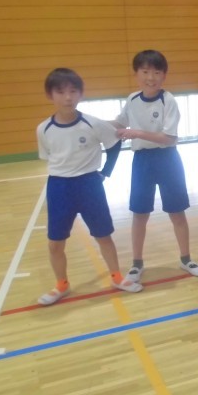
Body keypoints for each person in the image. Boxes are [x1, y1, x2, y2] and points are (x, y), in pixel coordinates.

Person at [36, 67, 131, 305]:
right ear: (50, 95)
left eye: (73, 91)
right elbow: (49, 157)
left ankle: (117, 277)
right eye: (61, 92)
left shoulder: (93, 123)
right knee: (55, 242)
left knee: (103, 235)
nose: (68, 97)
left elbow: (115, 143)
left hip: (90, 185)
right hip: (59, 187)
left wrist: (106, 172)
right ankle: (61, 284)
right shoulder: (43, 129)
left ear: (80, 93)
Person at [116, 50, 198, 288]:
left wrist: (137, 133)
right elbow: (118, 123)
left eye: (156, 72)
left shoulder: (169, 100)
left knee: (177, 212)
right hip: (142, 162)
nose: (151, 77)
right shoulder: (132, 100)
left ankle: (186, 259)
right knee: (139, 214)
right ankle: (136, 264)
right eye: (145, 72)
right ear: (136, 74)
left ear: (164, 75)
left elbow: (169, 138)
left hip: (168, 160)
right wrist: (92, 124)